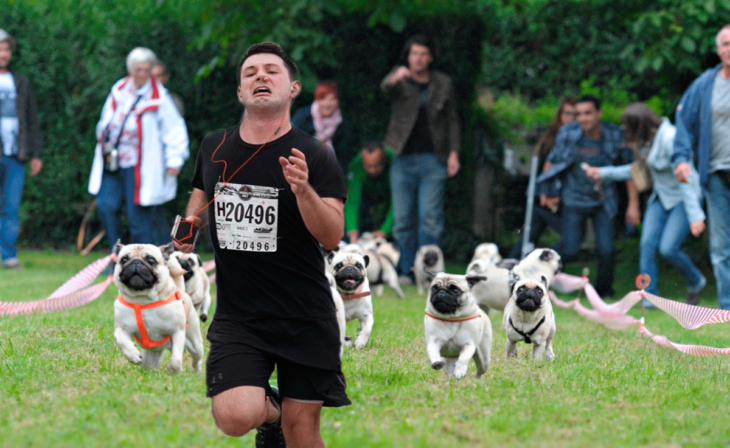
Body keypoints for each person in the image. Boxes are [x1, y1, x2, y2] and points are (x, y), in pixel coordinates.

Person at [174, 42, 349, 448]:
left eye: (272, 71)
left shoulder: (316, 154)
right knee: (236, 416)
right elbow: (203, 192)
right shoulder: (214, 146)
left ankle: (285, 421)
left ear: (293, 89)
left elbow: (332, 234)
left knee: (301, 431)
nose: (261, 77)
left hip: (304, 313)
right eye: (250, 73)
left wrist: (303, 190)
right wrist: (190, 224)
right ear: (240, 92)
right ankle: (271, 412)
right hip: (241, 316)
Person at [583, 103, 706, 306]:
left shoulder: (669, 138)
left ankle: (696, 281)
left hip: (684, 198)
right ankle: (649, 297)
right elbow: (637, 170)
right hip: (661, 197)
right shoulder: (647, 140)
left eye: (628, 127)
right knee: (647, 243)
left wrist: (695, 215)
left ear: (639, 124)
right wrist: (603, 173)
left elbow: (685, 178)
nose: (626, 132)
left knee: (668, 248)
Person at [87, 47, 189, 252]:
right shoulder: (119, 89)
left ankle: (145, 262)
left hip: (141, 167)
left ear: (151, 70)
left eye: (145, 69)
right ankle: (116, 256)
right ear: (130, 70)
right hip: (113, 162)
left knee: (138, 219)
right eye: (137, 69)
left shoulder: (159, 97)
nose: (141, 74)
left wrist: (174, 160)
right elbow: (106, 120)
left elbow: (175, 130)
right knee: (105, 205)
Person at [537, 95, 640, 298]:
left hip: (604, 199)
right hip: (573, 198)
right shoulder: (568, 133)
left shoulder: (613, 135)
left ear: (598, 113)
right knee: (571, 247)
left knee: (607, 249)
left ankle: (604, 292)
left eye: (587, 113)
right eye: (578, 114)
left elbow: (630, 171)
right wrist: (545, 191)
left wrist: (633, 205)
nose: (583, 118)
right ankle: (543, 273)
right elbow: (552, 161)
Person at [381, 35, 460, 284]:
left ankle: (430, 274)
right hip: (402, 158)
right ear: (408, 56)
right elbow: (385, 88)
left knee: (430, 218)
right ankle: (406, 271)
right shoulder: (400, 78)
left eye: (423, 54)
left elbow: (453, 120)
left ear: (430, 57)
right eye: (414, 53)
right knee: (402, 220)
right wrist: (395, 77)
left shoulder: (442, 82)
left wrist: (454, 154)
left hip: (433, 159)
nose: (418, 58)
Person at [674, 25, 730, 310]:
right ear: (718, 49)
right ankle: (727, 309)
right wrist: (681, 158)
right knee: (721, 247)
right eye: (725, 44)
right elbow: (683, 122)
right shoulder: (705, 84)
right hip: (717, 174)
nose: (729, 48)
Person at [508, 96, 577, 259]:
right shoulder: (553, 139)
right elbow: (547, 170)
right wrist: (545, 194)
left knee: (533, 237)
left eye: (575, 115)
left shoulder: (576, 137)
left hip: (560, 198)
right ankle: (535, 262)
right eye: (567, 114)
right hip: (545, 197)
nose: (572, 119)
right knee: (530, 237)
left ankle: (531, 263)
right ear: (560, 116)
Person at [0, 29, 42, 269]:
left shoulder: (20, 82)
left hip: (16, 155)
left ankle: (8, 256)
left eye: (6, 49)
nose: (3, 54)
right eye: (0, 49)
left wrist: (35, 154)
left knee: (11, 208)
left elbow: (31, 119)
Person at [291, 80, 354, 175]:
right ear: (316, 100)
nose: (327, 104)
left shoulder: (343, 122)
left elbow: (344, 155)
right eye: (323, 99)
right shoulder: (303, 117)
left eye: (332, 99)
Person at [346, 141, 394, 244]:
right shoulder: (356, 164)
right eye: (367, 166)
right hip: (368, 195)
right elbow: (352, 202)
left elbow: (399, 202)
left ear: (384, 160)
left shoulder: (394, 159)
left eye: (376, 166)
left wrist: (384, 231)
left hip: (391, 192)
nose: (372, 170)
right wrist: (352, 229)